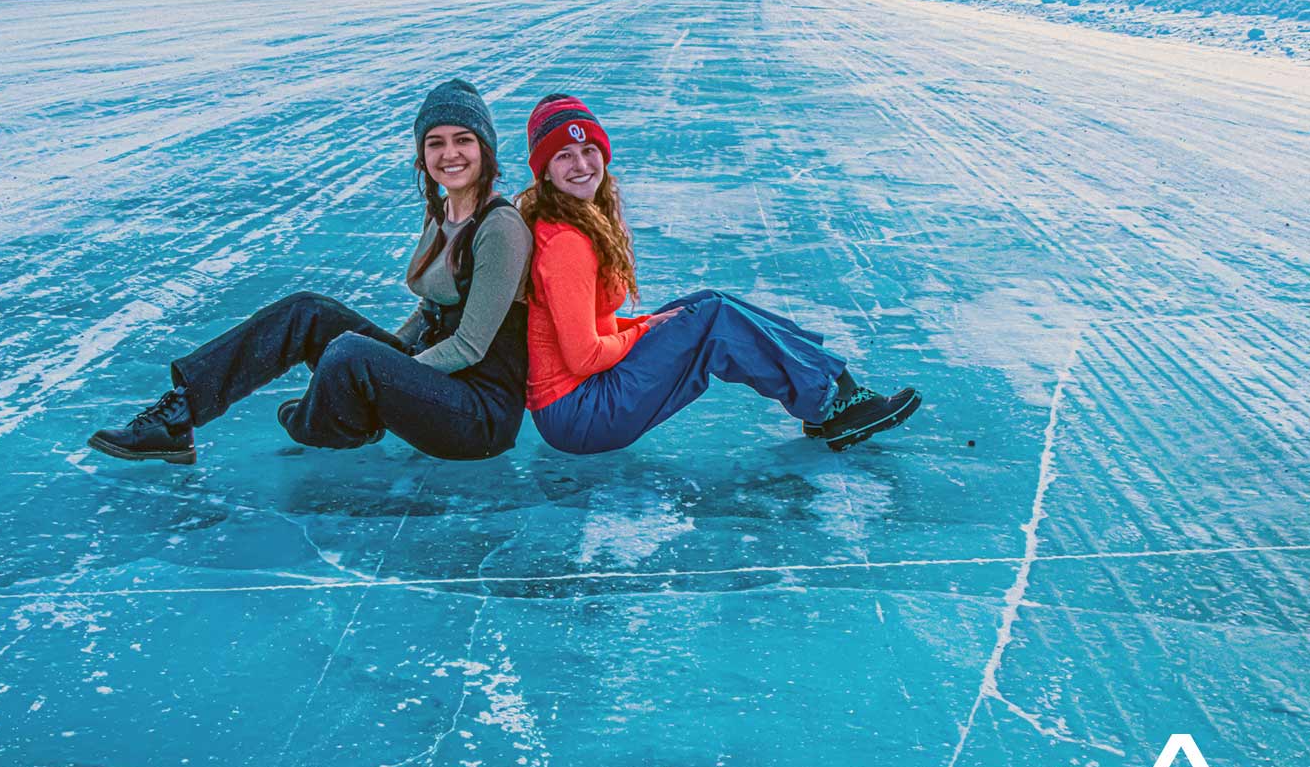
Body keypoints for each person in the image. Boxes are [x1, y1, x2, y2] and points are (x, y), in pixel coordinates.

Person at [88, 79, 532, 465]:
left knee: (351, 355)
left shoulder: (500, 228)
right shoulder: (443, 212)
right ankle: (177, 418)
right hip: (434, 386)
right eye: (435, 142)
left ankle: (322, 422)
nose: (449, 153)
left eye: (463, 140)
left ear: (484, 148)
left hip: (477, 416)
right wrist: (390, 366)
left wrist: (389, 370)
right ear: (422, 153)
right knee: (307, 311)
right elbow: (429, 307)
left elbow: (471, 347)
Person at [517, 93, 920, 455]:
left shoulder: (577, 220)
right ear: (545, 171)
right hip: (580, 414)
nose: (582, 164)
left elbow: (582, 324)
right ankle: (831, 399)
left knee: (706, 304)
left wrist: (641, 323)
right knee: (713, 319)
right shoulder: (565, 242)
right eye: (564, 155)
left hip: (581, 403)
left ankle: (827, 394)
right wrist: (642, 331)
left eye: (588, 149)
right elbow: (584, 355)